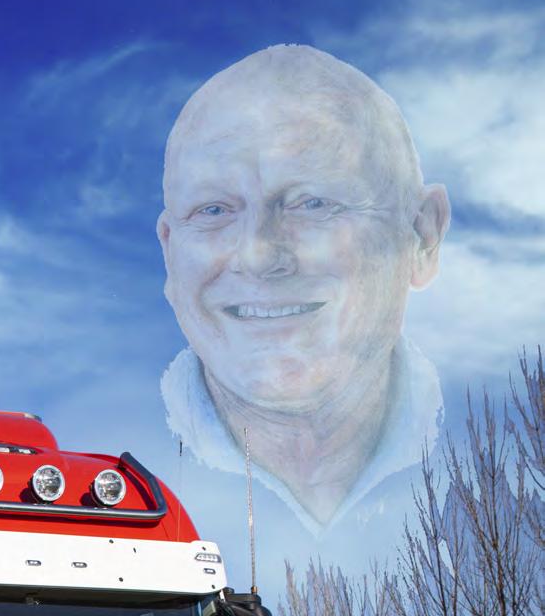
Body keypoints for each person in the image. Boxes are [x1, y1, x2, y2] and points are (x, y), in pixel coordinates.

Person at [156, 44, 450, 538]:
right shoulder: (119, 472)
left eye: (312, 203)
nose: (258, 255)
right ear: (169, 249)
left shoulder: (503, 464)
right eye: (213, 210)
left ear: (422, 236)